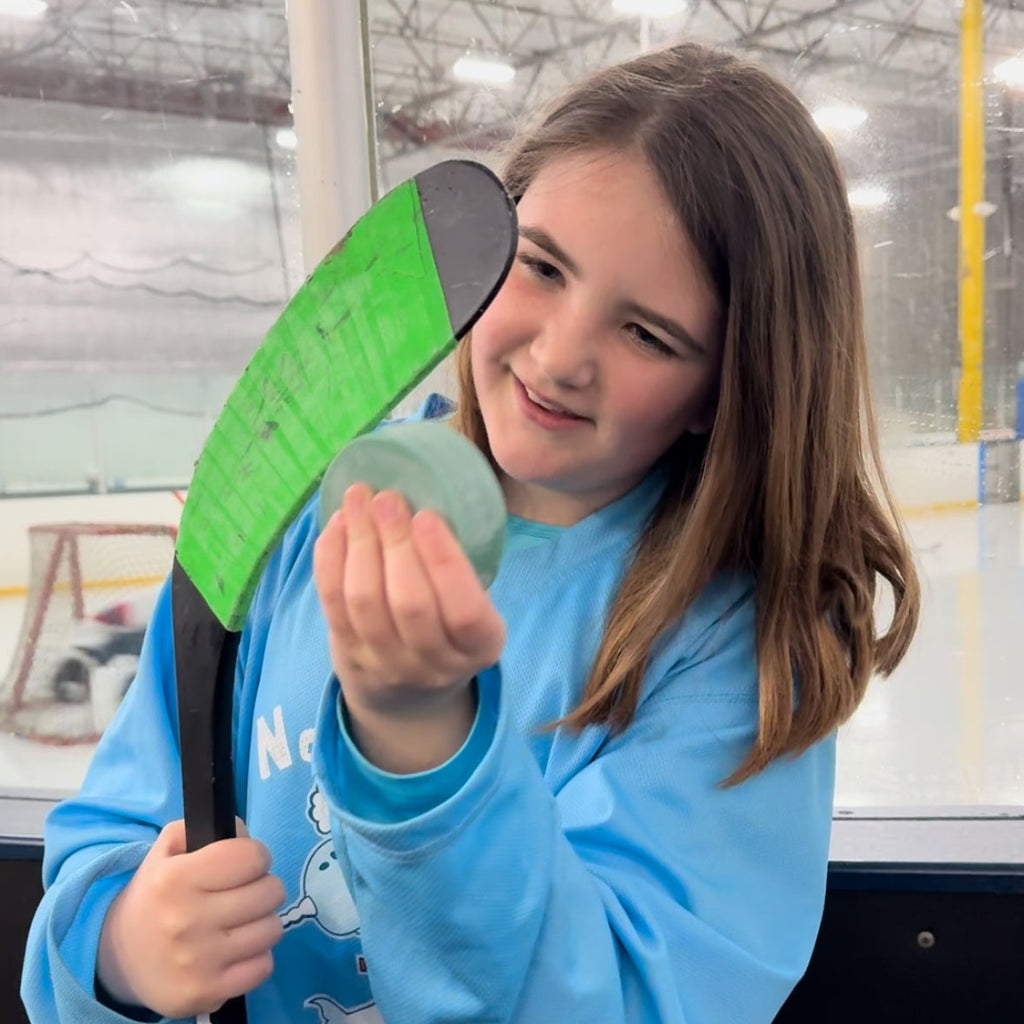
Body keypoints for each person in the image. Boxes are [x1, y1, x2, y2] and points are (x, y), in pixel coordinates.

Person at [22, 41, 920, 1024]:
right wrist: (117, 945)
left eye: (647, 333)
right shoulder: (300, 496)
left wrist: (423, 750)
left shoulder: (732, 650)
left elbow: (635, 1001)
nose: (559, 354)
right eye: (540, 265)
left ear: (724, 387)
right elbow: (107, 833)